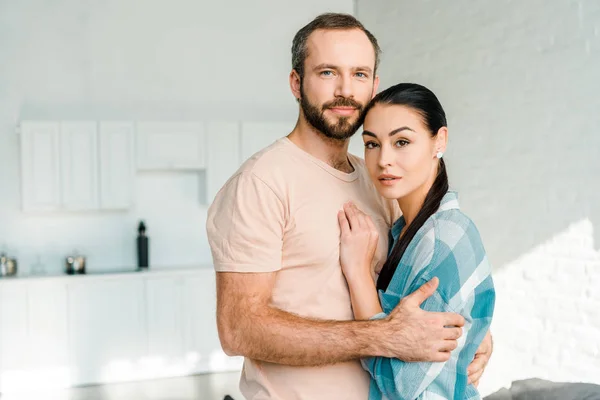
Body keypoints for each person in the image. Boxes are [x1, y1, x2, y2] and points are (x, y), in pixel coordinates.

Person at [207, 13, 492, 400]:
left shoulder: (377, 179)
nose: (345, 90)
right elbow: (239, 328)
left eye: (359, 74)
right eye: (327, 72)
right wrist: (383, 337)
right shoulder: (262, 182)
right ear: (296, 82)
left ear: (374, 85)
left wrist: (472, 332)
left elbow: (411, 283)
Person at [338, 83, 495, 399]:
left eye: (402, 142)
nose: (384, 160)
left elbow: (402, 385)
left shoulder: (443, 239)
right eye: (372, 144)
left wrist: (358, 274)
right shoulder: (405, 231)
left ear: (440, 141)